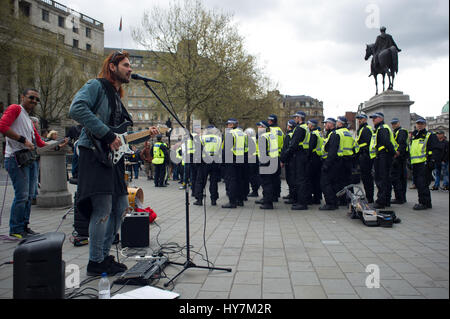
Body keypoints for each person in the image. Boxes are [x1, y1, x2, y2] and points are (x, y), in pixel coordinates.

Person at [69, 50, 159, 276]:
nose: (131, 69)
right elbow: (76, 109)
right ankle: (95, 261)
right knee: (102, 208)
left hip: (111, 159)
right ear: (112, 66)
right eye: (126, 65)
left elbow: (121, 137)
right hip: (94, 152)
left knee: (120, 207)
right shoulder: (96, 86)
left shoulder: (117, 96)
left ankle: (104, 256)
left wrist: (145, 138)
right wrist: (107, 136)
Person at [0, 88, 49, 238]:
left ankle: (24, 226)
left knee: (29, 195)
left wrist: (57, 145)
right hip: (16, 158)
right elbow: (2, 126)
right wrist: (22, 140)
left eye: (36, 99)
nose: (34, 101)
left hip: (28, 159)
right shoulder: (15, 109)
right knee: (22, 195)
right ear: (22, 97)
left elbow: (40, 143)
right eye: (31, 97)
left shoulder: (29, 119)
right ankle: (15, 229)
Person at [280, 111, 310, 210]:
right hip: (304, 154)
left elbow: (293, 145)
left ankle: (302, 203)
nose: (294, 119)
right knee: (302, 179)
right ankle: (301, 201)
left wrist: (284, 157)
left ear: (299, 118)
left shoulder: (300, 128)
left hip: (299, 155)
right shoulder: (306, 127)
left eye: (295, 117)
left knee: (300, 180)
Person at [410, 118, 441, 210]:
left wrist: (432, 161)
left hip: (424, 163)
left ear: (425, 125)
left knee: (423, 184)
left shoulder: (429, 135)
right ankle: (423, 202)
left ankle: (424, 203)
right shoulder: (414, 135)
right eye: (418, 123)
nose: (419, 125)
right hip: (415, 163)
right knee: (418, 184)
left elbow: (435, 149)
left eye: (421, 124)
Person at [370, 112, 399, 209]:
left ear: (381, 118)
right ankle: (386, 200)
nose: (373, 120)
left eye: (375, 118)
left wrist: (393, 152)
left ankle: (381, 201)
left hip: (383, 156)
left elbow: (387, 142)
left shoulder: (382, 129)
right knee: (386, 179)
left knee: (381, 179)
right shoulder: (381, 128)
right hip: (385, 156)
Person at [193, 125, 222, 206]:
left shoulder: (202, 138)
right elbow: (220, 151)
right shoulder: (219, 139)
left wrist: (197, 162)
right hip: (215, 161)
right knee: (213, 182)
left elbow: (198, 151)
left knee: (200, 181)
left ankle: (199, 200)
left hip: (204, 162)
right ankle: (214, 200)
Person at [222, 118, 246, 209]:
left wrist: (223, 161)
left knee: (231, 180)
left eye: (228, 124)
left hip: (231, 159)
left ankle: (232, 201)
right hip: (241, 158)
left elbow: (226, 149)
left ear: (231, 125)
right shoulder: (242, 134)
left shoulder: (230, 134)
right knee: (239, 180)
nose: (227, 126)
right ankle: (240, 200)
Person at [255, 121, 279, 210]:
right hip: (273, 160)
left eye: (260, 126)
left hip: (266, 162)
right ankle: (269, 199)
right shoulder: (271, 135)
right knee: (270, 182)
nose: (258, 128)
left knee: (266, 183)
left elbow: (263, 152)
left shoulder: (263, 137)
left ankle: (268, 203)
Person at [355, 113, 376, 203]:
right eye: (358, 119)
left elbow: (367, 144)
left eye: (361, 119)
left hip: (366, 156)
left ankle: (370, 198)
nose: (359, 120)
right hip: (363, 155)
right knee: (365, 178)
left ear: (365, 119)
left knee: (367, 178)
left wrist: (362, 152)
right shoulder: (361, 129)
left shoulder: (366, 129)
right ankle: (368, 196)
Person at [390, 118, 409, 204]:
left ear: (399, 123)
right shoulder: (395, 132)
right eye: (392, 124)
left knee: (397, 178)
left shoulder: (401, 131)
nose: (393, 125)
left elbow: (401, 143)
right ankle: (401, 197)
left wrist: (397, 153)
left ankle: (400, 198)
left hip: (399, 158)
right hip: (400, 157)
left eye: (395, 123)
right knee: (400, 178)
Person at [306, 119, 323, 205]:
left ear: (311, 125)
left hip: (313, 158)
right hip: (318, 158)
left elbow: (310, 147)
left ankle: (309, 198)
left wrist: (306, 157)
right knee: (317, 179)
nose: (307, 126)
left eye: (308, 124)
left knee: (310, 179)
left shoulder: (313, 134)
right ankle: (317, 197)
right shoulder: (319, 133)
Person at [267, 114, 284, 201]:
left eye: (268, 120)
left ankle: (270, 197)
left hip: (271, 156)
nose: (267, 122)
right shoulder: (280, 130)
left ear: (271, 121)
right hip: (278, 155)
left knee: (269, 179)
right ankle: (276, 195)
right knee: (276, 177)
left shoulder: (270, 130)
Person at [281, 120, 297, 204]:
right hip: (294, 159)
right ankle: (292, 195)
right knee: (293, 178)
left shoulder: (288, 135)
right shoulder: (294, 134)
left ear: (289, 126)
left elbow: (285, 148)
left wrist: (283, 160)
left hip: (289, 160)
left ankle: (292, 196)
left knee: (290, 179)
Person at [245, 127, 260, 198]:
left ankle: (254, 191)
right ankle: (255, 190)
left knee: (252, 176)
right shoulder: (255, 138)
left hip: (252, 158)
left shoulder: (250, 139)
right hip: (256, 157)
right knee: (256, 175)